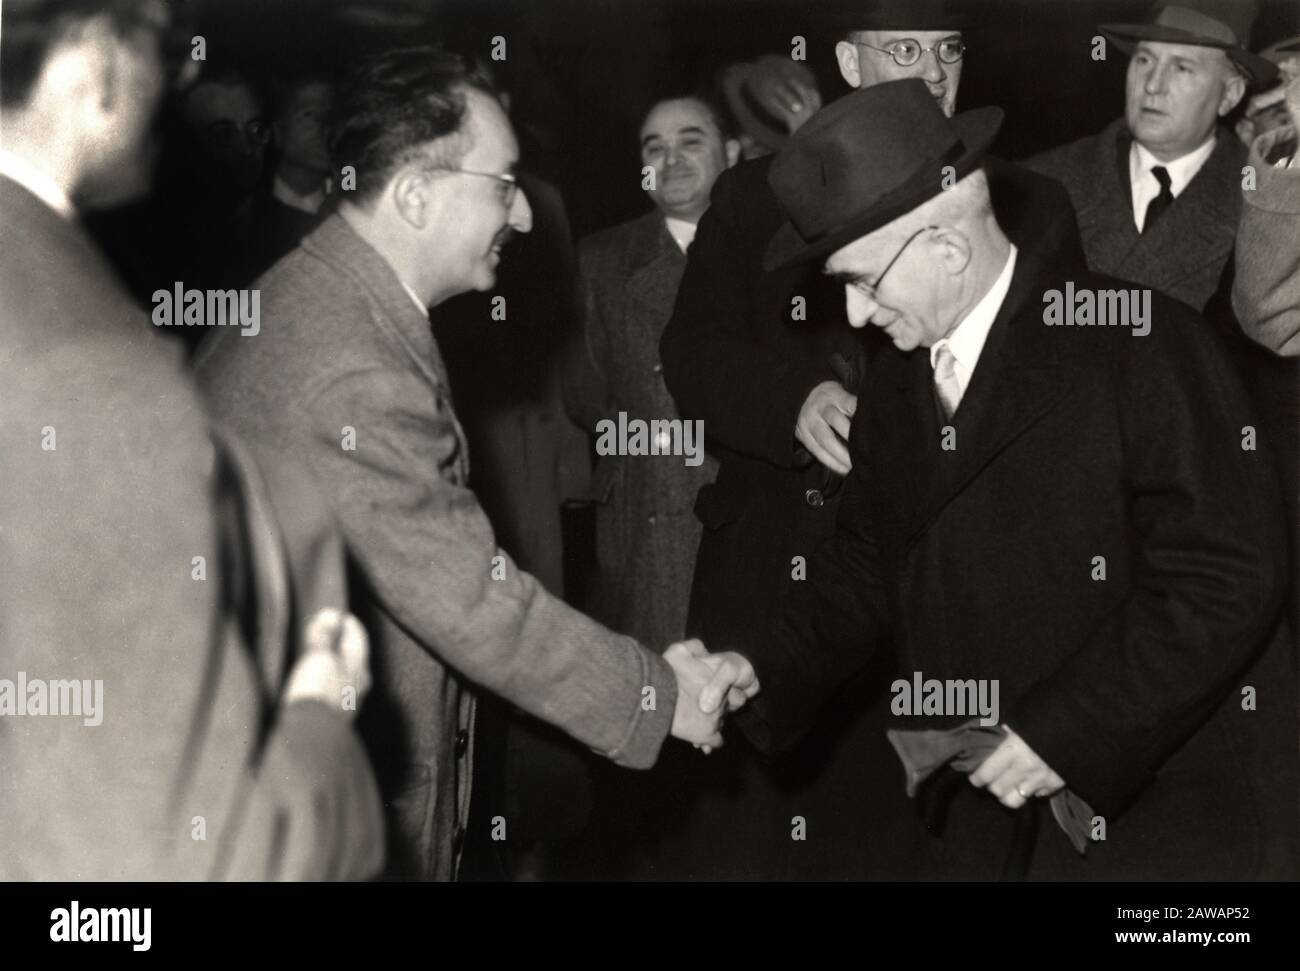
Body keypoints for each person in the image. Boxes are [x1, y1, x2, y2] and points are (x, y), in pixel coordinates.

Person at [196, 48, 757, 881]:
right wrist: (658, 695)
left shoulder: (327, 299)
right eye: (502, 185)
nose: (526, 216)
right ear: (417, 195)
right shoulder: (353, 365)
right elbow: (470, 601)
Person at [727, 79, 1296, 879]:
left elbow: (1226, 575)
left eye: (861, 281)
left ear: (948, 248)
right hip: (988, 826)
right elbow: (870, 561)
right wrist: (758, 661)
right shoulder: (895, 385)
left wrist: (1068, 730)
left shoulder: (1142, 343)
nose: (853, 317)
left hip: (1168, 823)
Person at [656, 0, 1081, 879]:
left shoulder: (1028, 204)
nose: (931, 71)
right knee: (754, 844)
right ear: (849, 64)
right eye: (904, 50)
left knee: (923, 837)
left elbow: (1060, 406)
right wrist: (793, 401)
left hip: (940, 590)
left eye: (948, 50)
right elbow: (691, 350)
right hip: (781, 573)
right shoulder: (750, 197)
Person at [1, 0, 382, 880]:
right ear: (91, 61)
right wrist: (323, 717)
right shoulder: (84, 356)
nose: (181, 76)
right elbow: (170, 857)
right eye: (164, 46)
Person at [1025, 0, 1278, 311]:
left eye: (1181, 67)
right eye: (1144, 60)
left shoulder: (1265, 207)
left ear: (1229, 95)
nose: (1153, 85)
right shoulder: (1039, 181)